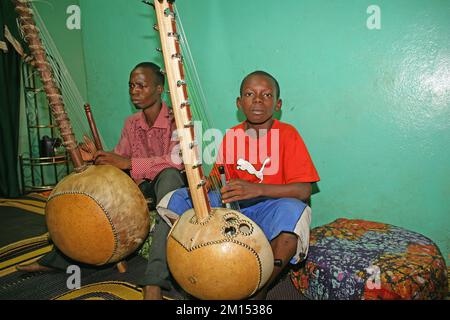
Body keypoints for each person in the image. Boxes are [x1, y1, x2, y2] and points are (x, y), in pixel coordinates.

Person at [16, 62, 185, 300]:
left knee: (169, 177)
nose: (134, 91)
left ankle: (154, 280)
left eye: (141, 85)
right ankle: (58, 259)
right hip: (138, 186)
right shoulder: (131, 123)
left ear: (159, 89)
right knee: (91, 189)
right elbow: (119, 160)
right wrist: (98, 157)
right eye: (131, 86)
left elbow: (176, 161)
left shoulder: (177, 120)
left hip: (169, 184)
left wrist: (128, 163)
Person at [156, 70, 320, 299]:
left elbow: (303, 190)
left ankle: (257, 289)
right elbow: (217, 179)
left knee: (296, 211)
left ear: (278, 104)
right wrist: (199, 178)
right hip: (232, 208)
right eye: (250, 94)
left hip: (268, 209)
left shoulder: (288, 135)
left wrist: (258, 189)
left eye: (267, 95)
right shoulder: (232, 136)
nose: (258, 100)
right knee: (177, 198)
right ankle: (179, 275)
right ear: (239, 103)